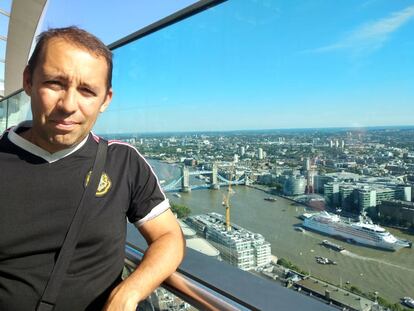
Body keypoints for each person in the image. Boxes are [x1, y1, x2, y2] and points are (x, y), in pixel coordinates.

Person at [0, 26, 185, 310]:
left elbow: (169, 236)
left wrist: (129, 292)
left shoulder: (123, 162)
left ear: (105, 100)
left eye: (87, 90)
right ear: (28, 81)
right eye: (54, 83)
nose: (68, 105)